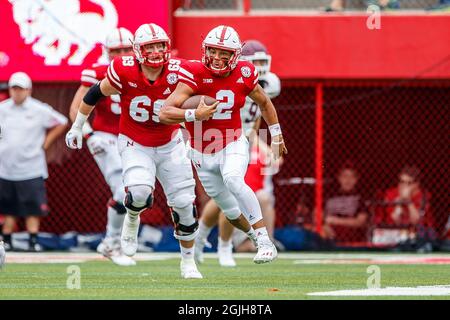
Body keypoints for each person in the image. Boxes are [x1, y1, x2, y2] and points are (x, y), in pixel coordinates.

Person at [65, 23, 214, 279]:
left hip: (171, 143)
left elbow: (211, 84)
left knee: (183, 205)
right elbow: (92, 93)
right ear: (137, 50)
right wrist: (79, 127)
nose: (156, 51)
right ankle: (132, 218)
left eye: (160, 46)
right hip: (134, 141)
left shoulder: (180, 69)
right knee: (138, 193)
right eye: (149, 47)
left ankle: (188, 262)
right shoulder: (121, 69)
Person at [159, 25, 288, 265]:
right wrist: (193, 115)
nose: (217, 58)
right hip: (201, 148)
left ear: (235, 56)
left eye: (224, 53)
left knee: (234, 180)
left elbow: (263, 104)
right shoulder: (193, 72)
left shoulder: (246, 73)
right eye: (213, 52)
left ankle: (263, 240)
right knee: (227, 207)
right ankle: (245, 238)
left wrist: (276, 136)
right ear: (205, 50)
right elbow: (165, 113)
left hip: (234, 140)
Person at [192, 39, 283, 267]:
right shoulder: (229, 79)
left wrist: (260, 142)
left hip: (240, 142)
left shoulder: (263, 82)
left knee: (232, 191)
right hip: (214, 140)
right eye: (255, 62)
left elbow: (258, 112)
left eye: (263, 62)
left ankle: (221, 245)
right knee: (223, 197)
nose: (259, 67)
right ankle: (204, 239)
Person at [69, 27, 135, 266]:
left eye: (127, 49)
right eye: (117, 50)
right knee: (124, 191)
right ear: (107, 52)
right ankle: (111, 243)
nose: (122, 54)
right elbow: (77, 107)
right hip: (107, 137)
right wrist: (88, 135)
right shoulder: (97, 72)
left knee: (138, 192)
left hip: (138, 140)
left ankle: (116, 241)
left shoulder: (146, 70)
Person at [0, 72, 68, 251]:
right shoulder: (3, 108)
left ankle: (33, 241)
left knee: (32, 206)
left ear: (29, 90)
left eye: (21, 89)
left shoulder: (39, 109)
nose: (17, 93)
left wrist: (45, 143)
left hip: (31, 167)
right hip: (5, 167)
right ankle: (6, 240)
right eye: (14, 89)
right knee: (8, 206)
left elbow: (62, 122)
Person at [321, 162, 369, 244]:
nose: (348, 180)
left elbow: (360, 222)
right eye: (344, 176)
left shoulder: (361, 197)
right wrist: (323, 225)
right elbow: (317, 214)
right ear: (339, 178)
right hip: (327, 230)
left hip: (350, 234)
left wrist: (334, 221)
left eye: (352, 177)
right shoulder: (329, 195)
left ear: (356, 179)